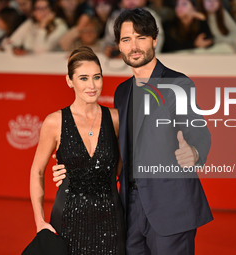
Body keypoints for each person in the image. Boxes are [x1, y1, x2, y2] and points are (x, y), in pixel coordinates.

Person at [112, 8, 212, 254]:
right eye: (126, 39)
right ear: (119, 46)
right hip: (131, 207)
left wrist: (195, 152)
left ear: (154, 40)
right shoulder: (122, 92)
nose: (134, 46)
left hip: (171, 203)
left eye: (141, 37)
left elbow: (200, 132)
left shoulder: (178, 84)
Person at [30, 46, 125, 254]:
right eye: (83, 78)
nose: (92, 85)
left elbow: (123, 171)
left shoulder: (116, 119)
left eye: (97, 77)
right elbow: (37, 171)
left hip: (111, 222)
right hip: (67, 221)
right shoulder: (54, 122)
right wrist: (39, 221)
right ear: (69, 81)